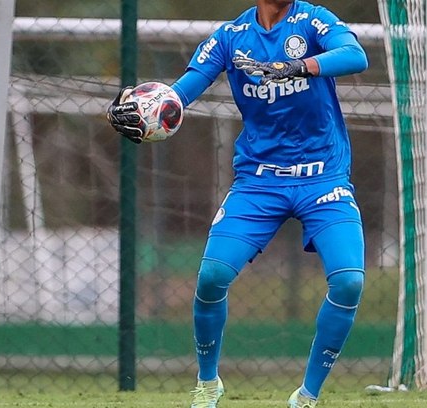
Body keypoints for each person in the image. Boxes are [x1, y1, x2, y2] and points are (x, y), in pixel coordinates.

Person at [107, 1, 369, 407]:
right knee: (211, 276)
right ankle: (208, 383)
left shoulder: (314, 19)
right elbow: (184, 90)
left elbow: (355, 55)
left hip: (324, 179)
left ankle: (307, 396)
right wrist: (149, 109)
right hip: (258, 182)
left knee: (349, 282)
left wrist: (300, 66)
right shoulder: (230, 38)